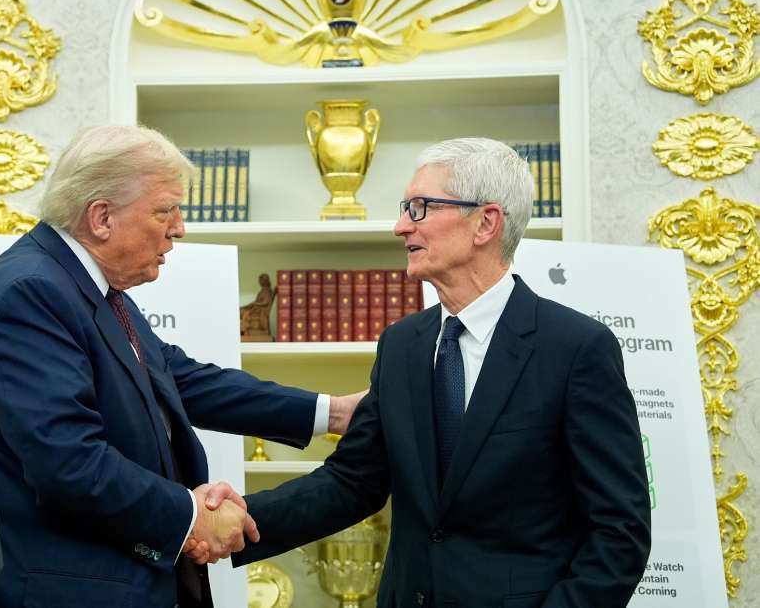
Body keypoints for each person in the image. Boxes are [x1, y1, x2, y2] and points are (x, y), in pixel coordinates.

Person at [217, 138, 651, 607]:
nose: (401, 226)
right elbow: (353, 481)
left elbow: (619, 533)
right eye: (406, 208)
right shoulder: (402, 344)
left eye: (420, 208)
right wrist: (237, 518)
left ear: (486, 222)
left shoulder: (576, 349)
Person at [0, 125, 362, 608]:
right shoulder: (32, 293)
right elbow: (70, 464)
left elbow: (179, 378)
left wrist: (333, 412)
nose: (179, 228)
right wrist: (193, 516)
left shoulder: (82, 285)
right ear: (101, 217)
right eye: (166, 210)